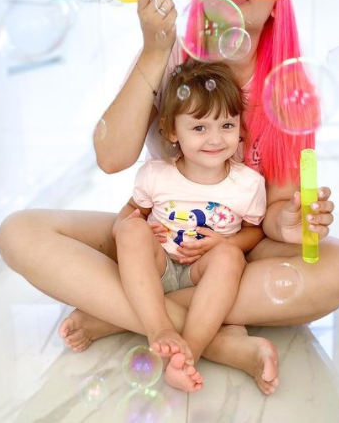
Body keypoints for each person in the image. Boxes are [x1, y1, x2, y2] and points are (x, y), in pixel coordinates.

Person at [0, 0, 339, 397]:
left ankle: (125, 312)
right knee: (19, 232)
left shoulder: (289, 88)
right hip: (161, 235)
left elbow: (271, 213)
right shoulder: (169, 55)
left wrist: (289, 223)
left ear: (276, 2)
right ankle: (214, 339)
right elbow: (111, 158)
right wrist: (155, 51)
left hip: (240, 245)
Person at [114, 59, 266, 392]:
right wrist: (133, 229)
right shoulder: (156, 175)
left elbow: (255, 230)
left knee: (230, 257)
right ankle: (160, 328)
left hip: (203, 276)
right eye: (199, 128)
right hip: (159, 267)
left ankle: (190, 352)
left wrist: (227, 244)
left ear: (240, 127)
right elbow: (131, 211)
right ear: (171, 131)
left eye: (227, 125)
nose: (215, 139)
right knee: (129, 229)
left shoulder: (247, 185)